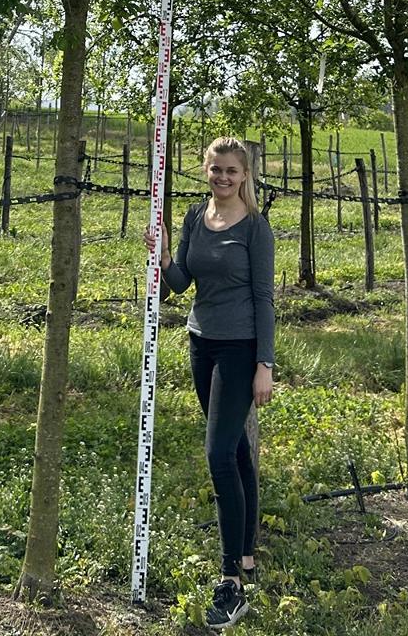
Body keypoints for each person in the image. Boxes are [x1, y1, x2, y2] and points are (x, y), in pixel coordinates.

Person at [147, 135, 275, 630]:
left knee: (219, 455)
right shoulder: (194, 218)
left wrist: (266, 363)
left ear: (245, 176)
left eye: (231, 171)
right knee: (236, 451)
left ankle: (231, 584)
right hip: (201, 342)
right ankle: (246, 555)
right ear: (205, 170)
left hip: (241, 349)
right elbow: (180, 283)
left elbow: (264, 299)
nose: (222, 178)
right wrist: (160, 258)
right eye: (215, 169)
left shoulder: (256, 230)